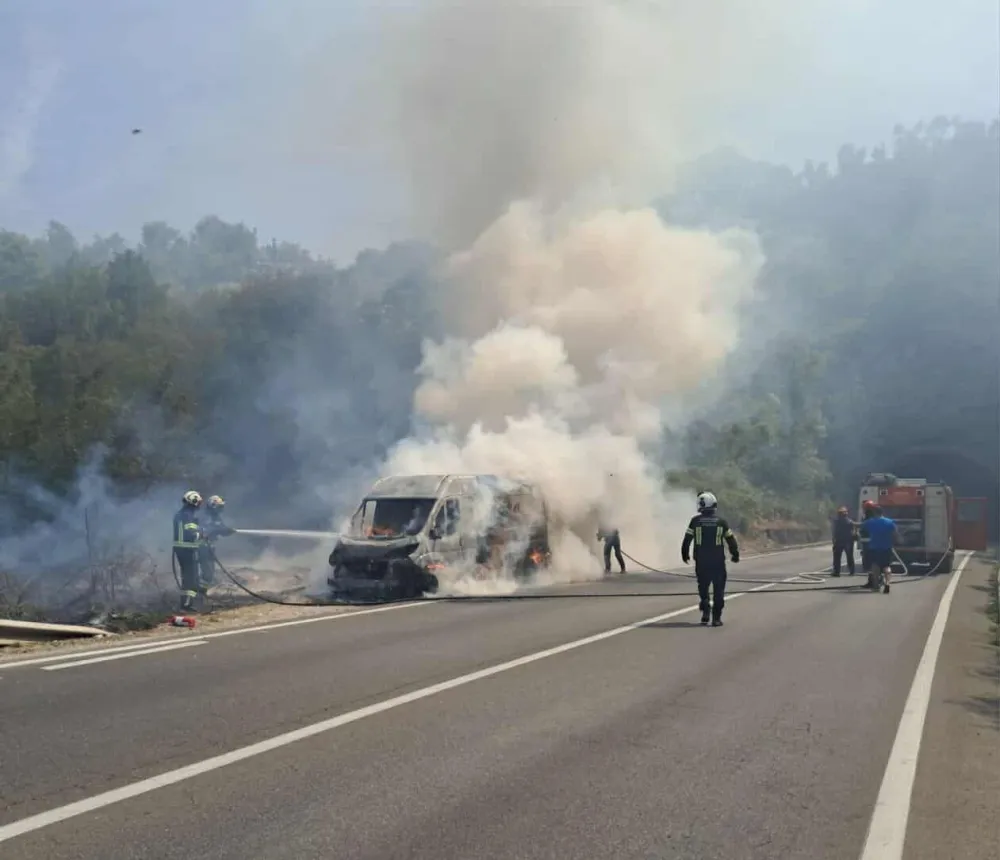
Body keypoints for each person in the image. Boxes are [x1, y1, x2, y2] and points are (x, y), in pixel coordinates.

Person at [681, 491, 740, 626]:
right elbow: (731, 540)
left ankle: (705, 610)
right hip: (718, 562)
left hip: (701, 561)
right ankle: (716, 618)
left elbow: (687, 540)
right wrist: (735, 554)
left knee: (703, 587)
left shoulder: (695, 521)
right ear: (714, 504)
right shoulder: (721, 522)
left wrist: (685, 554)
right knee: (719, 589)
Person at [173, 490, 204, 611]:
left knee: (189, 576)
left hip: (183, 549)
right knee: (190, 577)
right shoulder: (188, 515)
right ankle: (186, 604)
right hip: (186, 549)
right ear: (194, 502)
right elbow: (190, 533)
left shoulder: (182, 514)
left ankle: (189, 603)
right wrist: (201, 535)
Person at [858, 504, 898, 594]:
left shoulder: (870, 522)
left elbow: (861, 527)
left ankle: (876, 586)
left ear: (874, 513)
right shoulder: (890, 522)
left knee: (875, 567)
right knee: (887, 566)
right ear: (882, 512)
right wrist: (894, 542)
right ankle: (887, 583)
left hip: (874, 548)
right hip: (887, 548)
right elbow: (895, 534)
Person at [198, 495, 236, 590]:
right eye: (219, 507)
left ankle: (205, 588)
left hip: (210, 547)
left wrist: (228, 531)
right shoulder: (204, 516)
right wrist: (219, 529)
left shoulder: (216, 517)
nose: (221, 509)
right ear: (213, 506)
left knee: (210, 570)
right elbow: (207, 530)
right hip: (202, 547)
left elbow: (221, 529)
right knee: (207, 571)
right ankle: (200, 591)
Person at [831, 506, 857, 577]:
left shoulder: (837, 521)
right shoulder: (849, 521)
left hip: (840, 541)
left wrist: (834, 539)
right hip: (847, 541)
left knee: (837, 557)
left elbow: (834, 531)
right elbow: (854, 530)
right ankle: (851, 571)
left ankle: (837, 572)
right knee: (849, 556)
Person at [858, 499, 877, 573]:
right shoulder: (873, 515)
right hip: (871, 538)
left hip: (866, 538)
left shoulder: (866, 516)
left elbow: (863, 525)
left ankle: (867, 567)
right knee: (871, 554)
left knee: (866, 554)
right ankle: (870, 567)